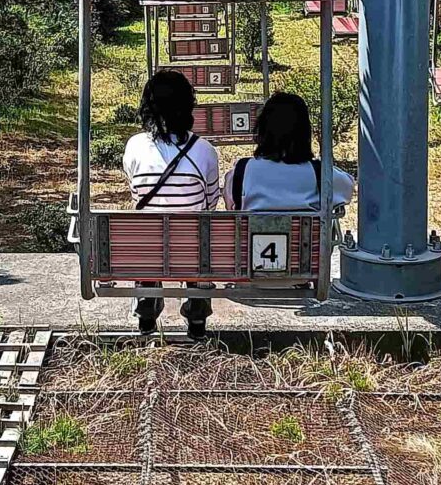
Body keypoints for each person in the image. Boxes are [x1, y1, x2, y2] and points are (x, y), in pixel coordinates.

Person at [123, 69, 221, 338]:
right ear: (188, 106)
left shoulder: (134, 146)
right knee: (200, 238)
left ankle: (146, 314)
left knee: (148, 237)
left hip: (149, 249)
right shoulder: (205, 150)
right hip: (194, 249)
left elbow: (135, 192)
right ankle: (197, 319)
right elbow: (211, 201)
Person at [225, 91, 354, 214]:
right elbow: (348, 188)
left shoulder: (241, 172)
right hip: (307, 231)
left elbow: (231, 206)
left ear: (262, 130)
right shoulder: (321, 174)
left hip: (251, 231)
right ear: (305, 132)